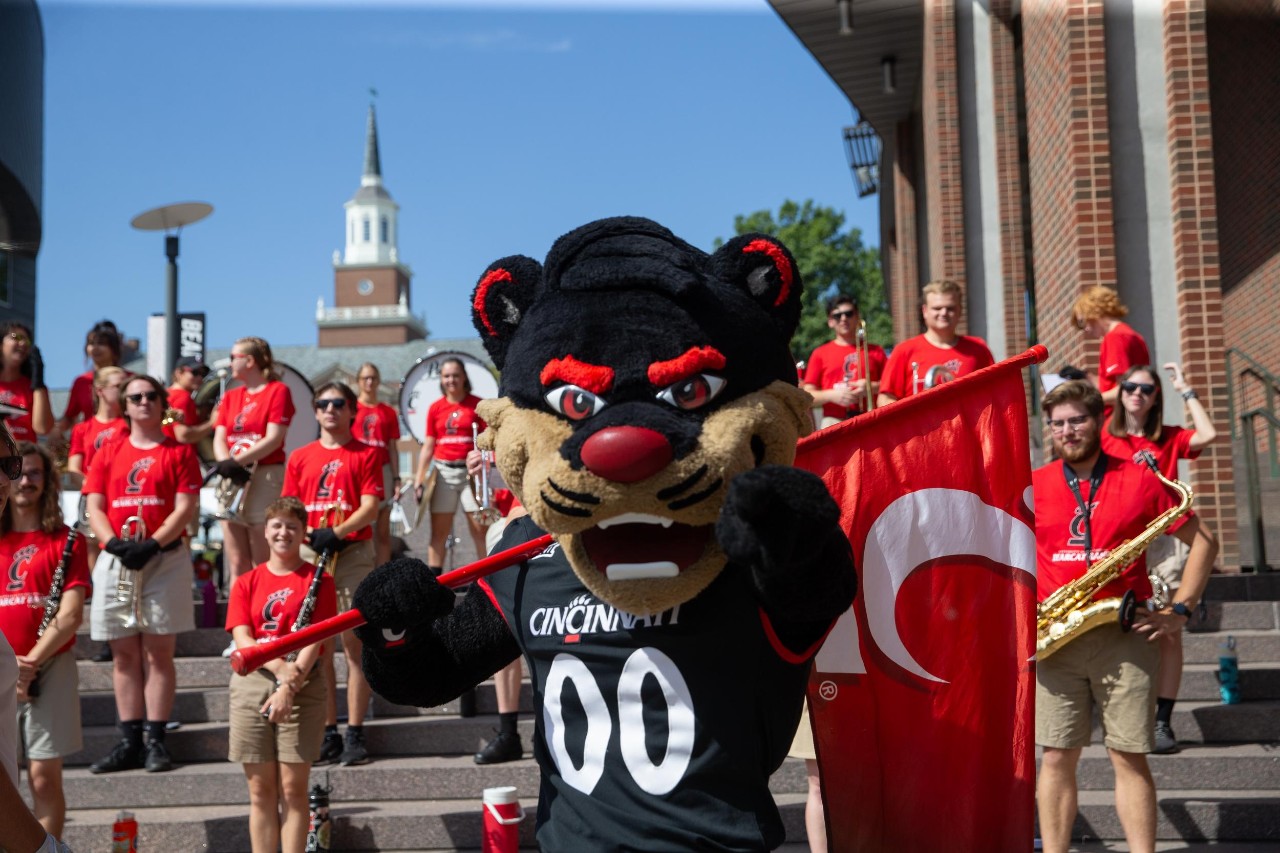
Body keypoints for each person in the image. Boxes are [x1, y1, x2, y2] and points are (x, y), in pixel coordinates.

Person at [1034, 380, 1217, 853]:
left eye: (1077, 420)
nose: (1067, 431)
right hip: (1056, 636)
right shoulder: (1032, 485)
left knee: (1129, 756)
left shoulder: (1139, 479)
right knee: (1055, 757)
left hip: (1124, 631)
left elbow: (1205, 541)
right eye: (1058, 423)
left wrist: (1180, 610)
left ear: (1098, 421)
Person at [83, 373, 202, 774]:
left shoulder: (179, 451)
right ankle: (129, 740)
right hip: (118, 556)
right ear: (125, 404)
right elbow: (94, 506)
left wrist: (153, 543)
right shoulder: (108, 450)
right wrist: (113, 543)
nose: (144, 402)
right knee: (123, 655)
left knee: (158, 653)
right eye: (135, 396)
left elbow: (185, 507)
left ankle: (156, 740)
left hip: (163, 558)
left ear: (162, 401)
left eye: (152, 395)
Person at [1102, 362, 1219, 755]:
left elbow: (1209, 434)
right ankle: (1116, 713)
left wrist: (1185, 388)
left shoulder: (1167, 436)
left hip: (1167, 541)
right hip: (1121, 544)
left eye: (1146, 390)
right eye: (1130, 387)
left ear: (1156, 398)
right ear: (1120, 393)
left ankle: (1162, 720)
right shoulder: (1105, 436)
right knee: (1117, 630)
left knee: (1168, 632)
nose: (1137, 394)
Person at [281, 381, 382, 767]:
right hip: (312, 553)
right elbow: (290, 508)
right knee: (318, 649)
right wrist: (309, 535)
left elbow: (371, 507)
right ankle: (328, 732)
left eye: (338, 403)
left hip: (351, 551)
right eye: (322, 404)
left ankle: (355, 731)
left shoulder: (366, 453)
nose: (329, 410)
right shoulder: (301, 456)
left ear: (352, 410)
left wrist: (337, 533)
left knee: (354, 648)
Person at [227, 497, 336, 853]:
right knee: (260, 791)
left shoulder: (319, 580)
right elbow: (243, 638)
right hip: (255, 680)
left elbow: (318, 637)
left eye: (292, 525)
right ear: (265, 530)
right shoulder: (247, 581)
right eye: (276, 525)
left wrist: (290, 684)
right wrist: (280, 669)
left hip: (303, 682)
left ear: (303, 533)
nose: (283, 532)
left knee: (293, 789)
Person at [0, 441, 90, 839]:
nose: (25, 481)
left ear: (48, 481)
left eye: (36, 472)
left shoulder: (66, 539)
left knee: (42, 779)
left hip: (48, 667)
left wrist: (28, 663)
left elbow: (69, 615)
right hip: (3, 662)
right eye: (20, 472)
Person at [212, 337, 295, 597]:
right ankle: (238, 627)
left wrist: (237, 462)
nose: (230, 361)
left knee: (262, 554)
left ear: (249, 361)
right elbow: (219, 436)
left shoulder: (277, 391)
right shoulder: (231, 395)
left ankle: (264, 618)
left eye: (234, 356)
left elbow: (274, 439)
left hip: (264, 474)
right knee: (236, 561)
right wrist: (226, 463)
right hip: (233, 478)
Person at [411, 358, 487, 573]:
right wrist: (419, 480)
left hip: (471, 474)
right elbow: (428, 446)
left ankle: (488, 578)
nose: (451, 380)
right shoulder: (435, 408)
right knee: (438, 533)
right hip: (443, 472)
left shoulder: (477, 405)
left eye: (455, 375)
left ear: (464, 377)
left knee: (480, 529)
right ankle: (435, 581)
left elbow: (488, 440)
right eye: (446, 376)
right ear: (441, 379)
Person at [877, 280, 994, 406]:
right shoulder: (904, 350)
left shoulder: (978, 348)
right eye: (937, 308)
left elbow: (994, 392)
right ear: (925, 311)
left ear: (960, 310)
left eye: (950, 308)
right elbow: (884, 399)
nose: (944, 313)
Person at [802, 294, 886, 427]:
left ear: (857, 316)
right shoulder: (820, 353)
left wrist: (870, 387)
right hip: (834, 420)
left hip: (872, 418)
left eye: (849, 314)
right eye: (837, 316)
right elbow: (806, 396)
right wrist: (832, 395)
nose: (843, 319)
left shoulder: (876, 351)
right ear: (830, 321)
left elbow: (892, 387)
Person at [353, 363, 401, 567]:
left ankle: (381, 574)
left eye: (373, 378)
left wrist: (397, 478)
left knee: (382, 530)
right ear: (358, 382)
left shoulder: (388, 412)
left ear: (379, 381)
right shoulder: (350, 409)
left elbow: (392, 447)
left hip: (384, 471)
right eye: (365, 378)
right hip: (359, 471)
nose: (369, 382)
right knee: (362, 527)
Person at [1072, 285, 1150, 410]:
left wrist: (1084, 403)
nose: (1085, 329)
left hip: (1117, 420)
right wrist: (1086, 377)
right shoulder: (1133, 335)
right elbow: (1114, 385)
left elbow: (1124, 391)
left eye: (1082, 322)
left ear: (1094, 311)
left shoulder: (1114, 338)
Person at [64, 366, 128, 491]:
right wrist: (94, 491)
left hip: (122, 493)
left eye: (126, 387)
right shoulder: (81, 428)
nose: (125, 392)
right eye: (118, 386)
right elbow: (73, 469)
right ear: (100, 390)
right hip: (91, 493)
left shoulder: (131, 425)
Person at [57, 320, 123, 435]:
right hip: (89, 441)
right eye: (91, 343)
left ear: (114, 349)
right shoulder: (81, 381)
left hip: (121, 438)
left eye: (102, 343)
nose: (95, 348)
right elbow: (69, 416)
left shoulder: (128, 379)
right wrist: (56, 431)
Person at [0, 321, 53, 444]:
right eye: (16, 337)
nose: (23, 343)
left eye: (27, 340)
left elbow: (43, 428)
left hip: (23, 459)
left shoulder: (33, 388)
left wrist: (38, 383)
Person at [164, 356, 215, 446]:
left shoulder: (165, 394)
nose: (200, 378)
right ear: (179, 373)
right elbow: (183, 435)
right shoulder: (183, 397)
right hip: (180, 456)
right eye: (195, 373)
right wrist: (212, 423)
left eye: (203, 374)